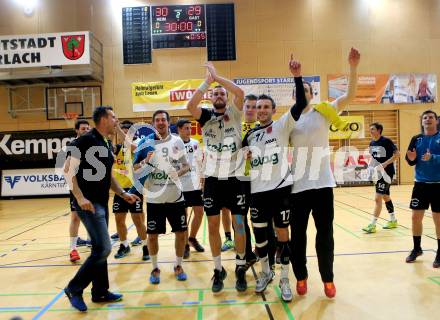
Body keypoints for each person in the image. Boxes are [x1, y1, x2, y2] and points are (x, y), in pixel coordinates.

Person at [289, 48, 360, 299]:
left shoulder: (325, 111)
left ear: (312, 94)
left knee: (325, 235)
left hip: (322, 185)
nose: (304, 94)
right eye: (300, 91)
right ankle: (301, 276)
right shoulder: (290, 119)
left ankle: (327, 279)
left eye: (307, 91)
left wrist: (352, 66)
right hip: (297, 188)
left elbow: (350, 95)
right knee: (297, 237)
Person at [64, 106, 140, 312]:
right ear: (104, 119)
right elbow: (67, 169)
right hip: (89, 203)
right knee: (104, 248)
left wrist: (122, 194)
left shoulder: (105, 142)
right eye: (114, 117)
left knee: (99, 247)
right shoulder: (85, 140)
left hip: (101, 201)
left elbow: (109, 176)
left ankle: (100, 292)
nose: (116, 120)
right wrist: (79, 197)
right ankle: (74, 288)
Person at [244, 56, 307, 302]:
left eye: (265, 107)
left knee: (283, 236)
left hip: (280, 191)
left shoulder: (282, 125)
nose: (260, 111)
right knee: (260, 238)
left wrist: (297, 75)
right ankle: (265, 272)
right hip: (257, 193)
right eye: (257, 108)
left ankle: (283, 278)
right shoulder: (249, 135)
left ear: (272, 110)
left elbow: (301, 102)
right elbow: (241, 162)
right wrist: (244, 156)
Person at [186, 62, 248, 293]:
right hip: (212, 179)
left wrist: (217, 77)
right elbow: (190, 104)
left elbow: (240, 93)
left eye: (222, 93)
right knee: (212, 224)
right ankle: (218, 268)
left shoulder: (234, 111)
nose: (220, 95)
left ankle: (240, 266)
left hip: (235, 178)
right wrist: (206, 83)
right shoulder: (205, 117)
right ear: (211, 98)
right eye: (216, 94)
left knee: (239, 223)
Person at [133, 110, 190, 284]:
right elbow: (135, 168)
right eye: (157, 120)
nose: (160, 123)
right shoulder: (145, 143)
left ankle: (178, 265)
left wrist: (177, 173)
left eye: (163, 120)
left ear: (168, 122)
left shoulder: (177, 141)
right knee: (152, 236)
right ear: (153, 123)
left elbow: (186, 166)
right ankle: (155, 268)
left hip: (175, 198)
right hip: (154, 200)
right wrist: (145, 162)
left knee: (181, 234)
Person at [405, 110, 440, 268]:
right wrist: (410, 159)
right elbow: (410, 159)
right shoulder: (416, 139)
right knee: (415, 218)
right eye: (425, 118)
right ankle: (417, 248)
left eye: (430, 117)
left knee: (438, 219)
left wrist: (433, 158)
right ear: (422, 121)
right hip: (420, 184)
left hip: (438, 185)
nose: (427, 120)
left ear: (436, 121)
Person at [112, 120, 149, 261]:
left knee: (137, 219)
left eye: (128, 130)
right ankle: (124, 245)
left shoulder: (139, 145)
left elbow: (129, 144)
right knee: (119, 219)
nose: (126, 132)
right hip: (120, 189)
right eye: (124, 130)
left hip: (135, 188)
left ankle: (146, 246)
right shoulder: (117, 148)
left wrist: (117, 128)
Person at [362, 122, 399, 233]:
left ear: (379, 130)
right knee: (385, 197)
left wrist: (385, 163)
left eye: (372, 129)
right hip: (377, 174)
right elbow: (373, 159)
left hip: (386, 173)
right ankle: (393, 220)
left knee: (378, 198)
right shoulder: (372, 143)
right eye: (370, 129)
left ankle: (372, 225)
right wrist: (369, 170)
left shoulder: (386, 141)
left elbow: (397, 154)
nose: (370, 131)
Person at [176, 119, 205, 258]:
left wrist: (203, 178)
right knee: (183, 216)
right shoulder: (174, 144)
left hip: (195, 184)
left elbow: (199, 161)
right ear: (179, 129)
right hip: (180, 184)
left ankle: (192, 238)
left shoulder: (195, 143)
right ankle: (185, 245)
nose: (189, 130)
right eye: (186, 128)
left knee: (199, 212)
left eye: (190, 128)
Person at [66, 119, 91, 263]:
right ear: (77, 130)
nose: (86, 130)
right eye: (83, 128)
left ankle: (90, 239)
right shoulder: (73, 146)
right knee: (75, 217)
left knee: (91, 214)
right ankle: (73, 249)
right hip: (77, 187)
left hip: (91, 186)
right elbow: (68, 169)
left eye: (88, 128)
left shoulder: (93, 144)